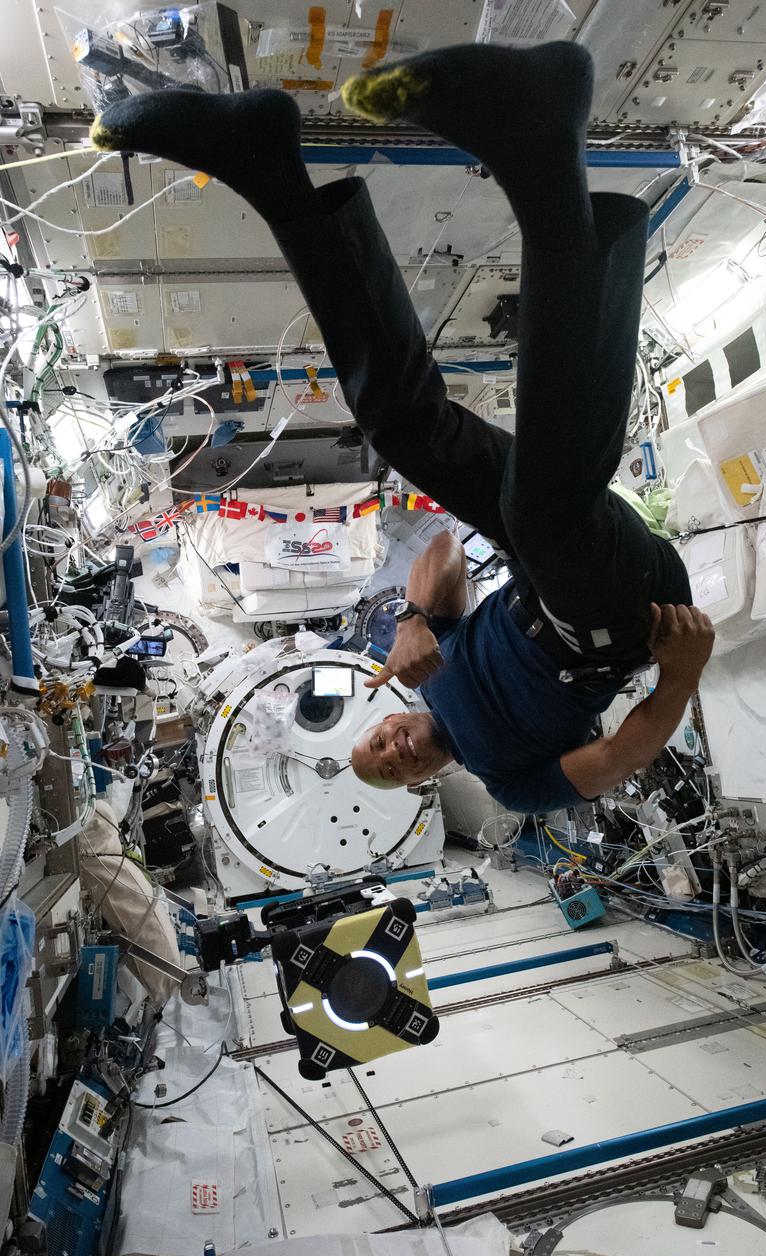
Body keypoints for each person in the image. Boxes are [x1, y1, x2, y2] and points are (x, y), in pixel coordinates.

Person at [90, 41, 715, 814]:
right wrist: (681, 675)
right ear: (421, 781)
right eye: (393, 768)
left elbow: (447, 549)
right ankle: (545, 150)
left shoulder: (426, 668)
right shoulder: (510, 782)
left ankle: (267, 167)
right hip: (618, 618)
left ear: (383, 718)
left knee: (401, 428)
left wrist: (417, 621)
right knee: (541, 516)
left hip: (536, 566)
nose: (393, 752)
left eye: (377, 746)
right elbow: (622, 751)